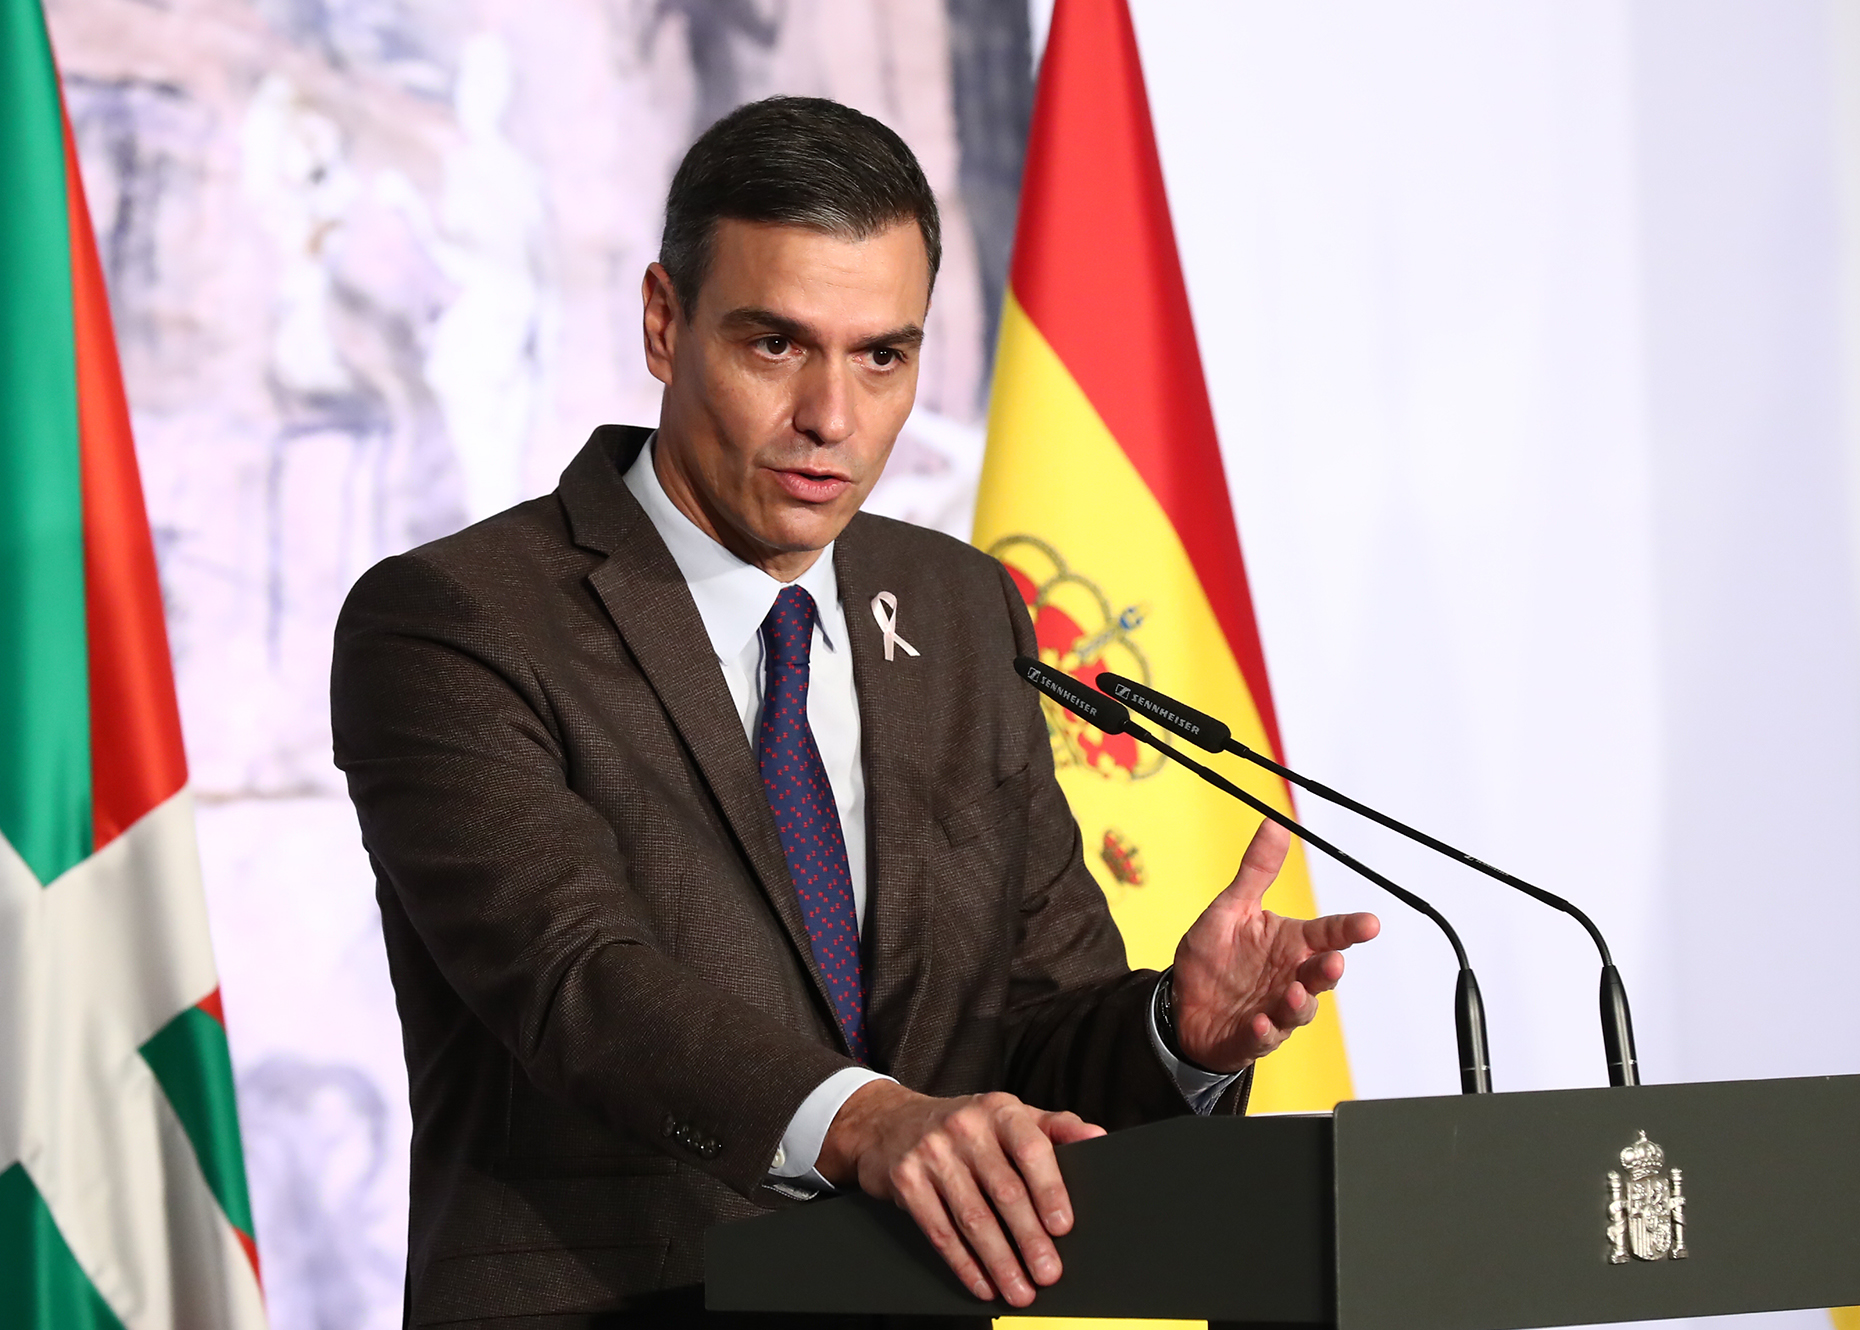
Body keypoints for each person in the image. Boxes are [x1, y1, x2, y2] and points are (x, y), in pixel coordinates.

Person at [331, 96, 1378, 1328]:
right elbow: (578, 985)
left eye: (883, 354)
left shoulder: (958, 607)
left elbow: (1025, 1023)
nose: (832, 417)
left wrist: (1173, 1033)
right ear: (664, 324)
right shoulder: (458, 618)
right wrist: (875, 1122)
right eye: (776, 345)